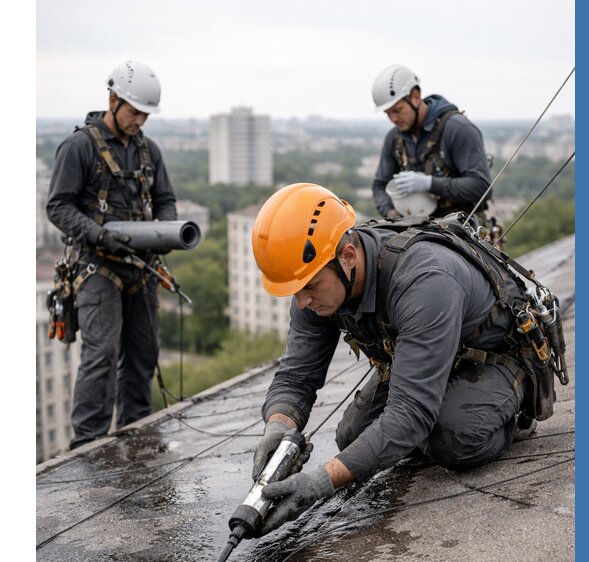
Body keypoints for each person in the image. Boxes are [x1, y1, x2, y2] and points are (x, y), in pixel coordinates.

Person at [250, 183, 548, 537]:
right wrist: (278, 426)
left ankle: (511, 417)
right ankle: (427, 422)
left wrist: (320, 482)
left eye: (310, 287)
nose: (302, 302)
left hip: (492, 359)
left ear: (347, 256)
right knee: (351, 437)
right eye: (294, 291)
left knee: (452, 439)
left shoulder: (424, 279)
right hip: (424, 356)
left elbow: (410, 413)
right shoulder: (316, 278)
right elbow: (296, 377)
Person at [47, 60, 177, 449]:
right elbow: (58, 206)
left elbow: (165, 200)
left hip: (141, 267)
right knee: (101, 353)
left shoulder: (148, 151)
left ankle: (137, 434)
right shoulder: (79, 147)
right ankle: (88, 446)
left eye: (145, 114)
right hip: (97, 266)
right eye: (135, 112)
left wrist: (165, 232)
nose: (140, 121)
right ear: (113, 101)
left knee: (143, 353)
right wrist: (99, 235)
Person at [371, 64, 492, 221]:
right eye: (388, 113)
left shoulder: (457, 129)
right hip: (416, 227)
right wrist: (392, 214)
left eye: (397, 110)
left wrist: (429, 184)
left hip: (461, 225)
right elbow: (380, 185)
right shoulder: (394, 138)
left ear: (415, 97)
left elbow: (481, 187)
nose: (393, 119)